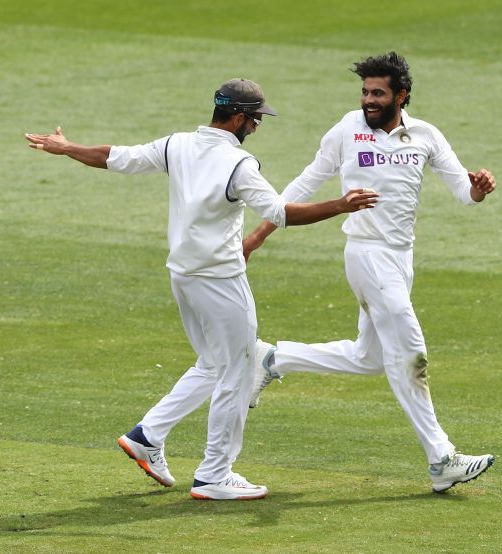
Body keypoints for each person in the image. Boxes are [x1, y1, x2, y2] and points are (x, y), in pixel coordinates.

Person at [25, 78, 378, 501]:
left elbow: (113, 158)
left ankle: (146, 436)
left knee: (213, 364)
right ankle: (215, 474)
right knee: (239, 369)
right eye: (254, 119)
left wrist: (68, 147)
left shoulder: (178, 144)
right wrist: (341, 204)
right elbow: (282, 214)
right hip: (221, 280)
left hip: (183, 275)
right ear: (236, 117)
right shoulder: (239, 165)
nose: (257, 127)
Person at [244, 53, 497, 494]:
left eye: (378, 92)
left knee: (371, 358)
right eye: (364, 92)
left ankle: (272, 358)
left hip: (401, 258)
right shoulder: (347, 129)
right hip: (366, 254)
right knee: (411, 350)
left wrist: (477, 190)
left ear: (401, 95)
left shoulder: (425, 136)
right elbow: (308, 180)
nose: (368, 100)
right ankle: (442, 459)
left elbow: (462, 189)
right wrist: (261, 233)